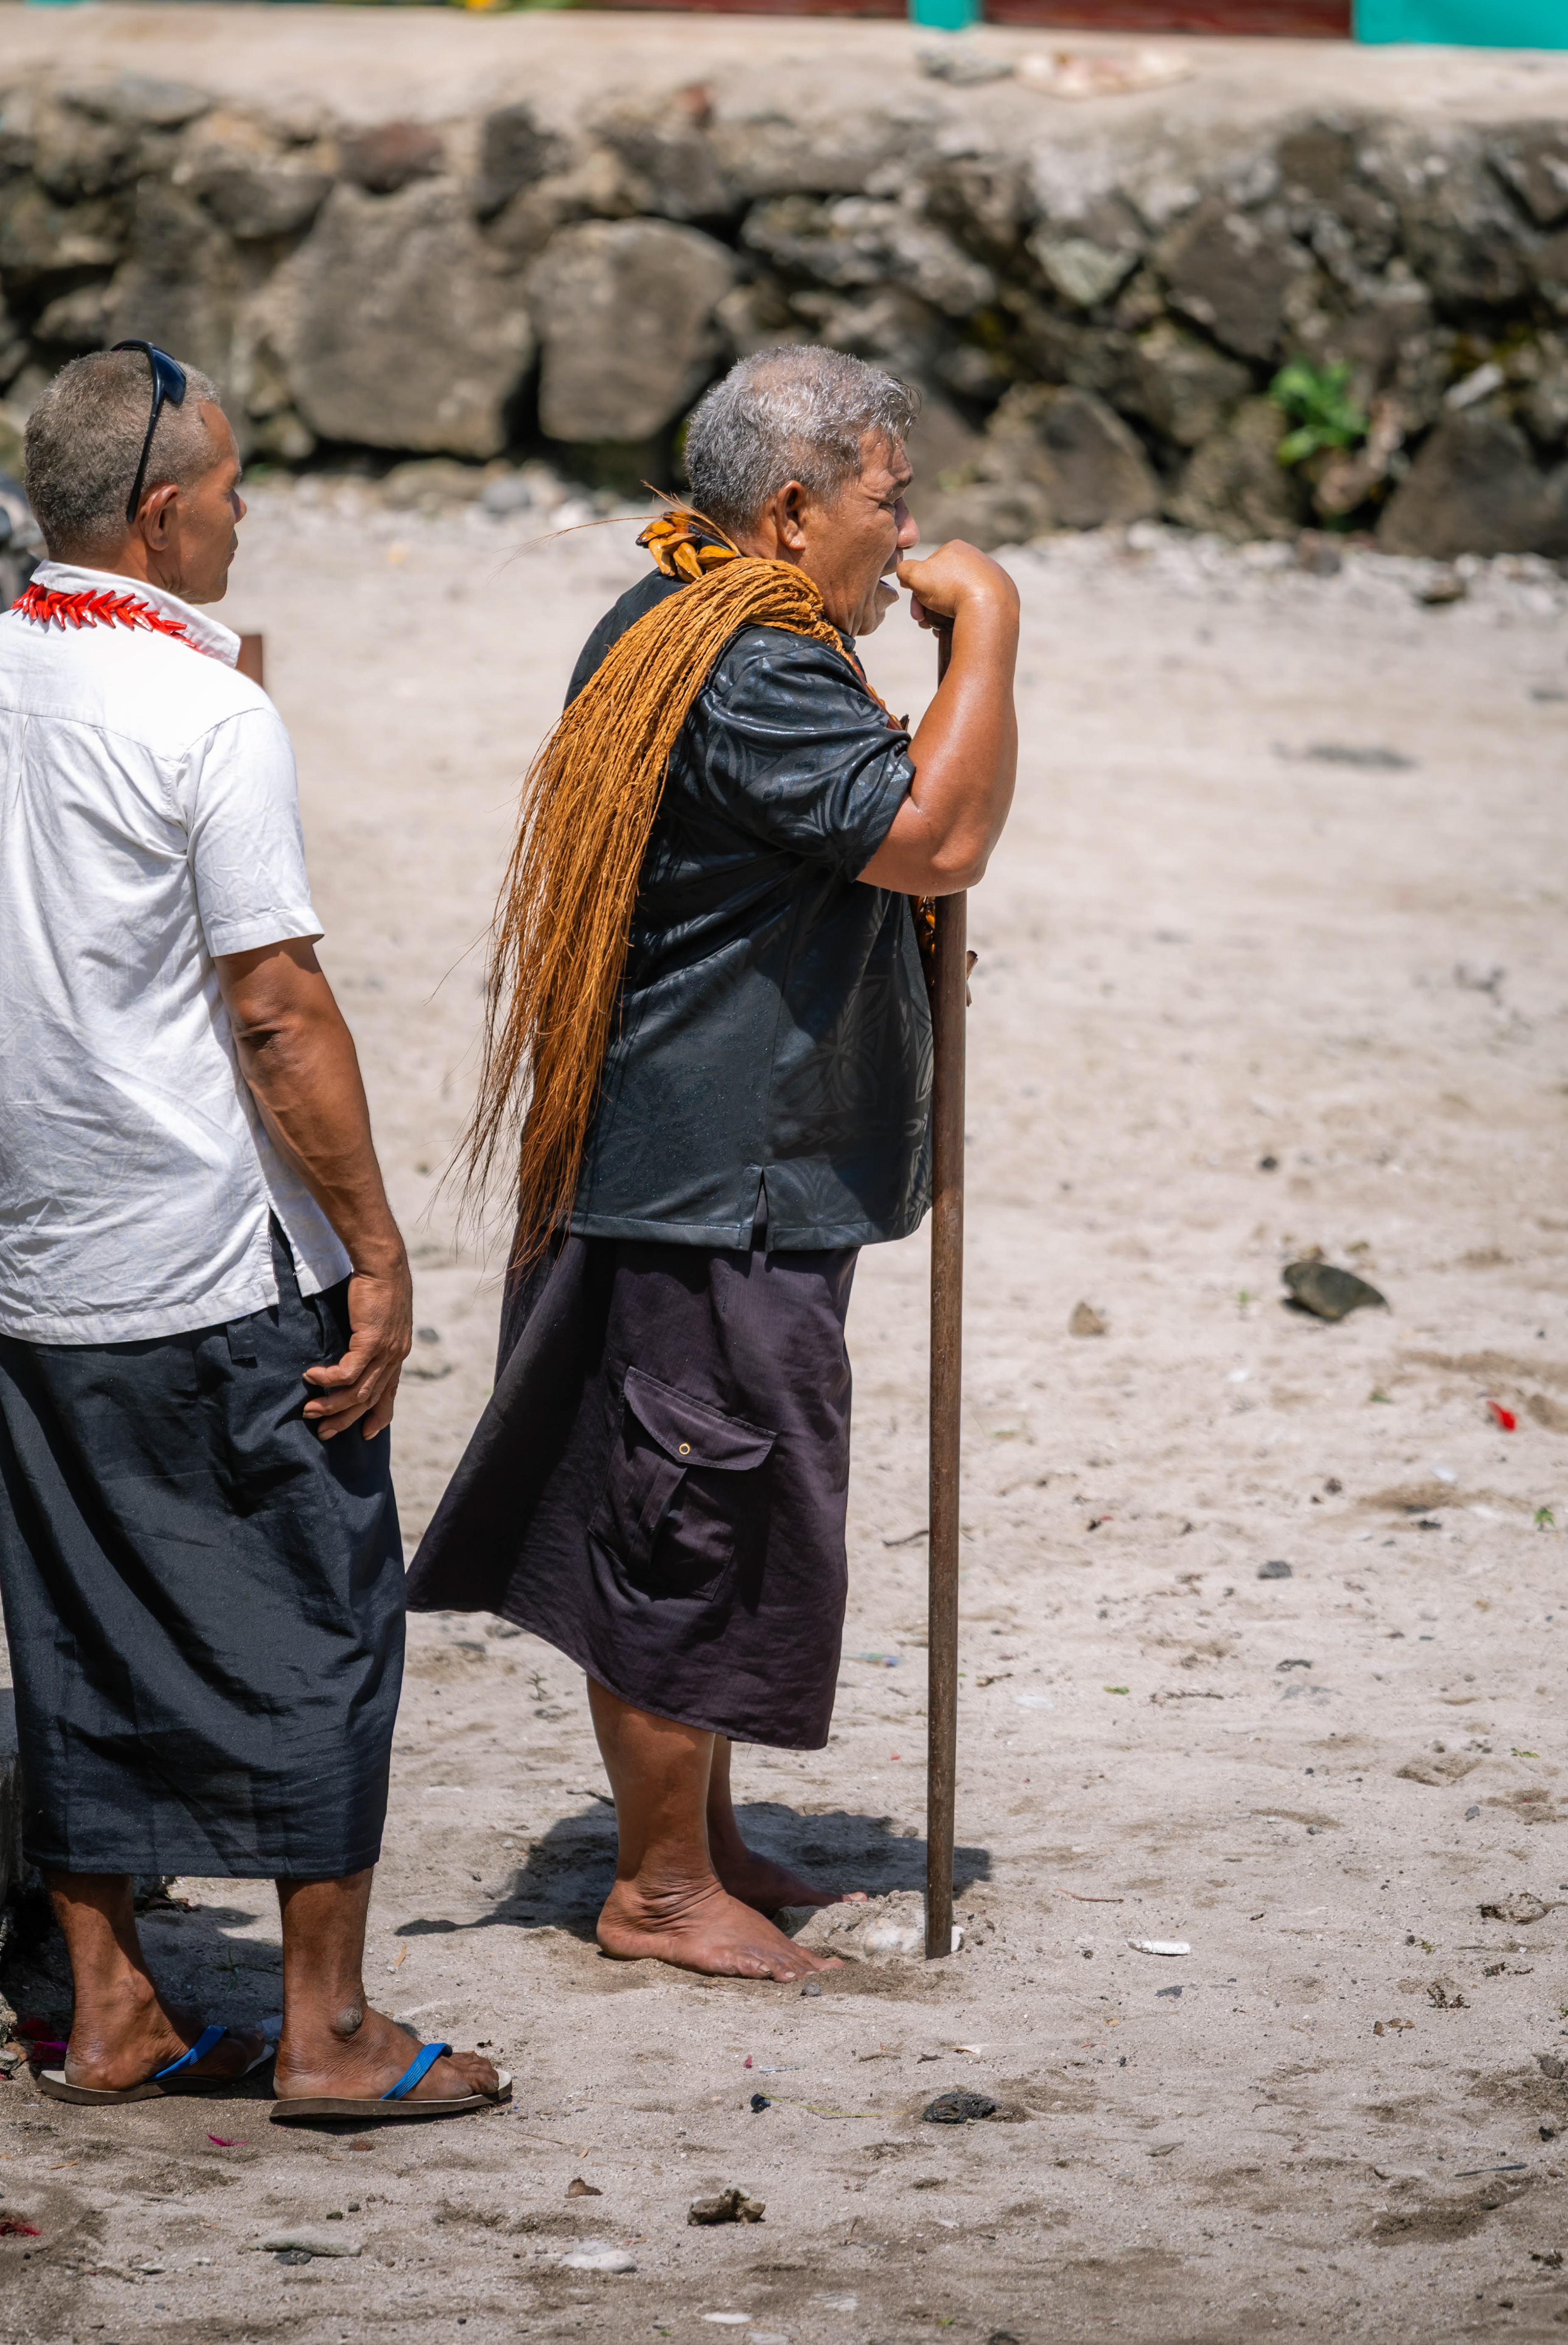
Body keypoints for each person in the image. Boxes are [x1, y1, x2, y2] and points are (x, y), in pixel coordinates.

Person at [406, 345, 1019, 1982]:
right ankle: (661, 1890)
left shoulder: (701, 626)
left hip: (709, 1163)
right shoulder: (750, 663)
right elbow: (938, 837)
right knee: (691, 1510)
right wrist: (998, 630)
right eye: (893, 503)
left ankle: (708, 1844)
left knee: (718, 1498)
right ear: (796, 505)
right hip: (704, 1178)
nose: (911, 536)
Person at [0, 345, 498, 2120]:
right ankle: (328, 2032)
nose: (253, 507)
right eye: (238, 484)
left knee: (86, 1621)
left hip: (44, 1249)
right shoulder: (208, 717)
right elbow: (275, 1007)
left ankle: (112, 2013)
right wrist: (382, 1252)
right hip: (206, 1253)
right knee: (328, 1616)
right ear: (165, 513)